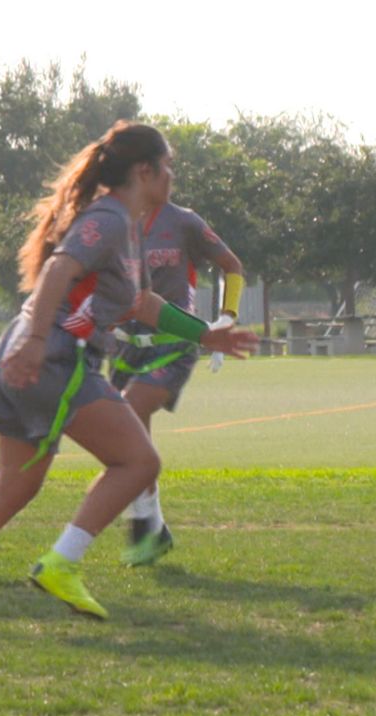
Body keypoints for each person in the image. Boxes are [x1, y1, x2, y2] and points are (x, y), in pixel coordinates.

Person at [0, 121, 256, 629]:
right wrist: (33, 343)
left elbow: (141, 302)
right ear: (145, 171)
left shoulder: (127, 223)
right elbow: (58, 271)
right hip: (55, 357)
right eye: (168, 167)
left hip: (33, 352)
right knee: (138, 463)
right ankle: (61, 563)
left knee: (12, 489)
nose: (172, 177)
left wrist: (206, 335)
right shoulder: (111, 219)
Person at [109, 202, 244, 566]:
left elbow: (232, 267)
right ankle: (156, 527)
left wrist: (225, 320)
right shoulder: (113, 220)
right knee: (126, 434)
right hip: (125, 343)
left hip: (173, 341)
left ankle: (142, 525)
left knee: (134, 405)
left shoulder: (184, 222)